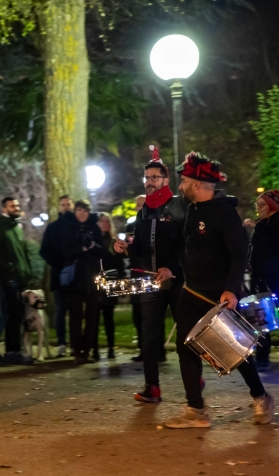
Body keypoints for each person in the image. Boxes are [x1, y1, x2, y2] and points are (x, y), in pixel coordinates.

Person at [164, 152, 274, 428]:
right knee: (185, 348)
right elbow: (187, 247)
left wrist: (230, 290)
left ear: (198, 184)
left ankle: (261, 396)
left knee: (231, 351)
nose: (180, 186)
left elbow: (238, 255)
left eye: (184, 181)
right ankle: (196, 411)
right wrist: (173, 269)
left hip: (218, 295)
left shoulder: (226, 214)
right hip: (191, 291)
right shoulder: (192, 210)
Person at [114, 146, 186, 402]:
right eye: (147, 178)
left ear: (166, 180)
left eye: (155, 178)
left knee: (185, 335)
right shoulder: (142, 213)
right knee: (149, 334)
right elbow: (142, 249)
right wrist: (126, 248)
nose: (150, 182)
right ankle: (151, 387)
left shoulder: (178, 206)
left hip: (177, 281)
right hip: (149, 282)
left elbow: (186, 244)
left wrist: (172, 268)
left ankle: (193, 380)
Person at [0, 197, 34, 365]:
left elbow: (22, 253)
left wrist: (27, 273)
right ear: (4, 209)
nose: (16, 208)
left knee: (18, 315)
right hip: (10, 279)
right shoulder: (1, 227)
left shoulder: (16, 227)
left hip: (19, 278)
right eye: (12, 206)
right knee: (13, 316)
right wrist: (9, 268)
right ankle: (12, 352)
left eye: (17, 205)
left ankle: (16, 350)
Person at [59, 200, 104, 364]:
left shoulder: (95, 228)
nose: (82, 213)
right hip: (75, 279)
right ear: (75, 211)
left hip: (92, 279)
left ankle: (88, 350)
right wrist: (82, 248)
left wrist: (92, 244)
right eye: (79, 210)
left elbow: (102, 251)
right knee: (75, 317)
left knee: (92, 317)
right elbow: (65, 252)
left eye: (85, 210)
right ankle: (77, 350)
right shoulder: (68, 228)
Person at [247, 190, 279, 370]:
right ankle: (261, 358)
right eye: (257, 205)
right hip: (260, 278)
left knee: (267, 318)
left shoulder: (273, 224)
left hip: (274, 278)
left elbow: (273, 244)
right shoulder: (263, 223)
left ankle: (262, 358)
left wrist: (257, 227)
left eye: (262, 205)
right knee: (261, 319)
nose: (258, 209)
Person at [40, 195, 73, 357]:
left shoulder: (78, 226)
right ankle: (61, 343)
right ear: (59, 207)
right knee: (61, 310)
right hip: (59, 275)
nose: (66, 207)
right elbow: (43, 250)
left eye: (68, 204)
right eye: (63, 204)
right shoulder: (53, 227)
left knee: (75, 311)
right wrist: (58, 264)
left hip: (77, 276)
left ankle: (75, 343)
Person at [92, 212, 124, 361]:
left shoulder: (113, 241)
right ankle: (94, 349)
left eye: (107, 222)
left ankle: (111, 347)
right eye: (102, 221)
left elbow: (119, 263)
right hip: (96, 283)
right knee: (94, 318)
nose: (104, 224)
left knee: (109, 318)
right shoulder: (93, 241)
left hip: (111, 283)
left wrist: (120, 283)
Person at [127, 194, 146, 362]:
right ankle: (143, 348)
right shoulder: (131, 225)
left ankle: (156, 350)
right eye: (137, 204)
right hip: (135, 274)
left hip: (148, 274)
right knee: (137, 315)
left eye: (142, 204)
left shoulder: (153, 223)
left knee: (151, 314)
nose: (139, 207)